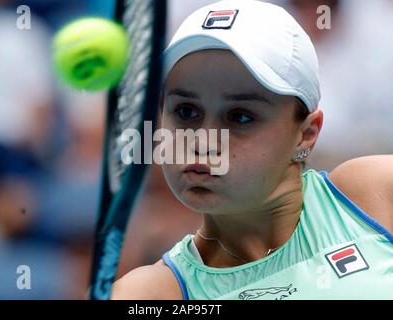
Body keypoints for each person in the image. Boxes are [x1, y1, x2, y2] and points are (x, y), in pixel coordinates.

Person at [111, 0, 393, 300]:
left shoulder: (373, 193)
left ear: (306, 134)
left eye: (240, 117)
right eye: (185, 111)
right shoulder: (149, 295)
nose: (203, 142)